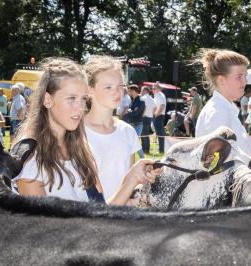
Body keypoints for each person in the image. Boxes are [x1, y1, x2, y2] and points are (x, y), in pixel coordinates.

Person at [12, 57, 161, 205]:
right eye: (71, 98)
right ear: (47, 100)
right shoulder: (29, 158)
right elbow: (46, 226)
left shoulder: (81, 150)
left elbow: (100, 214)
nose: (80, 107)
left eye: (83, 99)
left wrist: (133, 178)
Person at [195, 49, 251, 161]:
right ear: (222, 80)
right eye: (239, 77)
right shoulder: (218, 113)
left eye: (245, 76)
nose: (245, 81)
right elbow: (220, 165)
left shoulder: (224, 109)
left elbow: (237, 157)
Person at [84, 55, 146, 202]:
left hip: (123, 219)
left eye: (121, 86)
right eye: (108, 87)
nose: (117, 92)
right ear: (90, 90)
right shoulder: (76, 132)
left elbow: (128, 184)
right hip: (91, 219)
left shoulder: (127, 131)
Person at [124, 84, 145, 158]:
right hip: (131, 124)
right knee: (131, 142)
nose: (128, 92)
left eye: (129, 91)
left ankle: (143, 158)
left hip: (138, 124)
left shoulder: (141, 101)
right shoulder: (132, 101)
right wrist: (131, 111)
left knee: (135, 142)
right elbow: (131, 111)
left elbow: (136, 113)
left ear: (133, 91)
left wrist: (130, 111)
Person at [140, 86, 156, 154]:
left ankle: (144, 149)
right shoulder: (151, 98)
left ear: (145, 91)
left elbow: (144, 107)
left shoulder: (143, 98)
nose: (141, 92)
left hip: (144, 117)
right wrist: (151, 114)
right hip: (149, 117)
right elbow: (155, 107)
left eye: (142, 90)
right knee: (146, 134)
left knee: (143, 134)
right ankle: (147, 149)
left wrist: (143, 114)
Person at [152, 82, 166, 153]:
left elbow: (162, 106)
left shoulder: (160, 95)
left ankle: (161, 149)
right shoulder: (157, 95)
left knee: (160, 133)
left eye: (154, 88)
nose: (152, 90)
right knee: (158, 133)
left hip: (159, 116)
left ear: (159, 88)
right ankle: (160, 148)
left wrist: (156, 114)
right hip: (157, 116)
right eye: (152, 88)